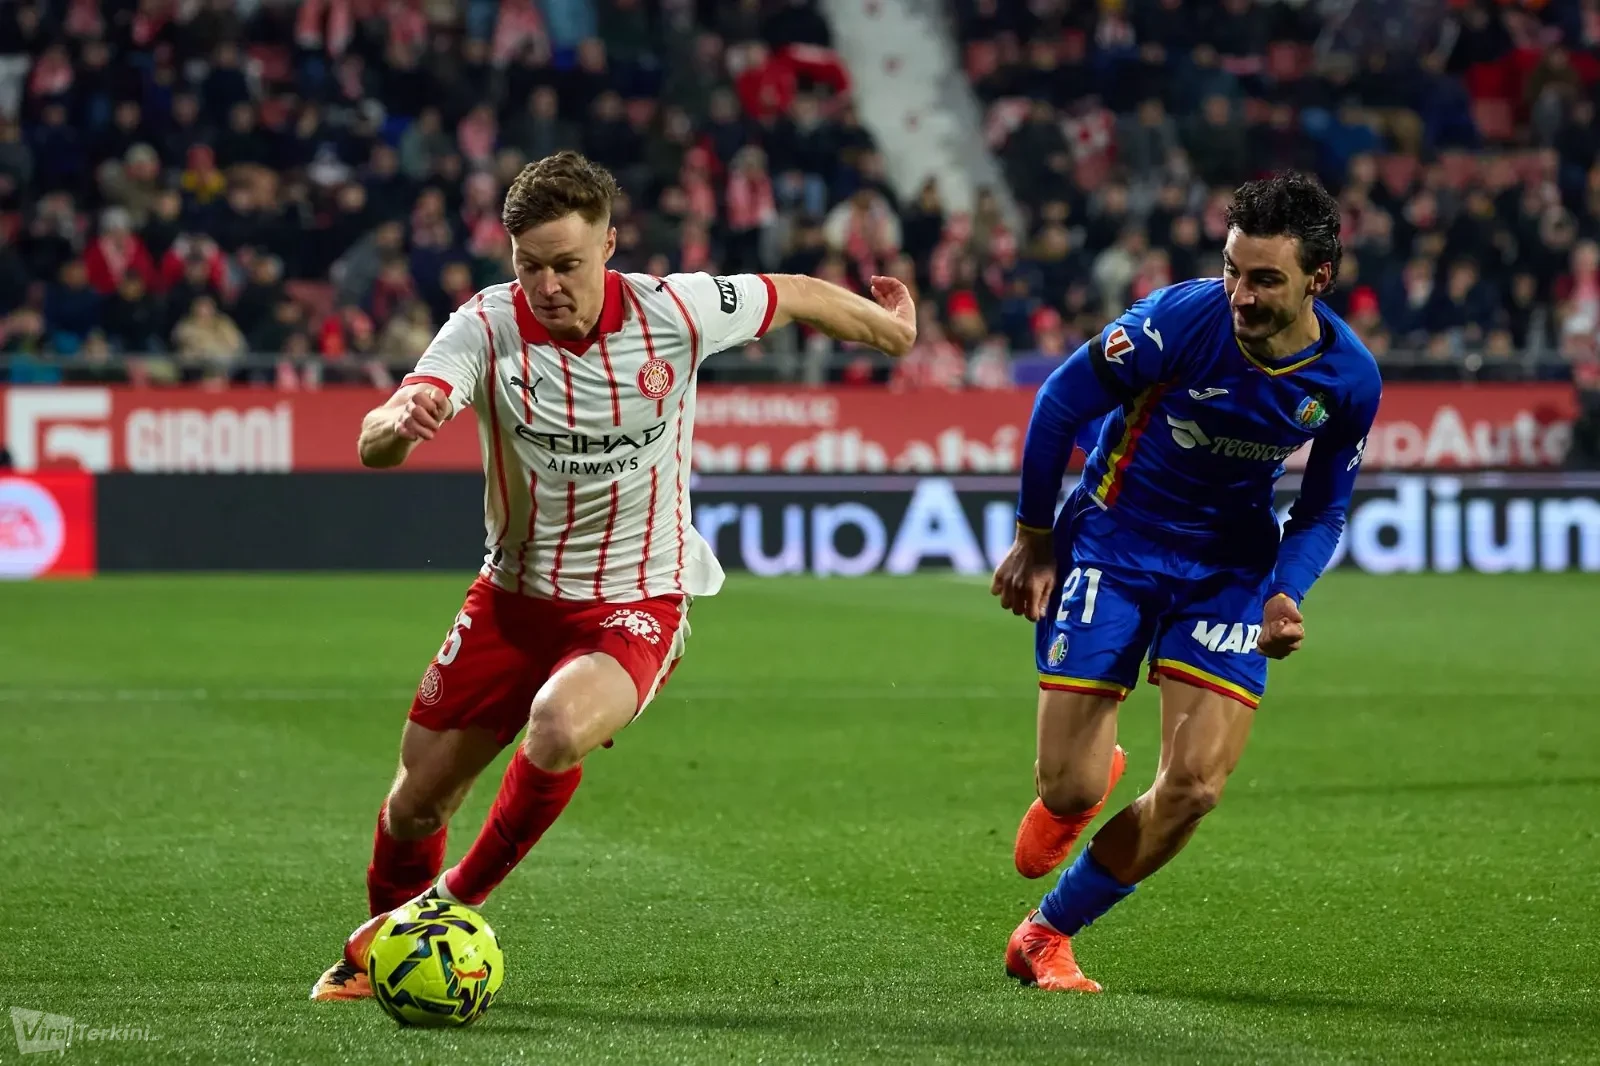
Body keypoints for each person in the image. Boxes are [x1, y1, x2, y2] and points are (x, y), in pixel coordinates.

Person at [311, 151, 917, 1001]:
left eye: (567, 264)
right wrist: (399, 423)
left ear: (609, 246)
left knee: (557, 726)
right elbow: (376, 440)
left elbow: (793, 293)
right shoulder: (485, 326)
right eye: (529, 266)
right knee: (415, 804)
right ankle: (384, 960)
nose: (547, 286)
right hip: (512, 601)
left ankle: (443, 909)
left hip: (636, 601)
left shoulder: (675, 312)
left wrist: (892, 331)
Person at [989, 173, 1380, 992]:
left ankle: (1046, 934)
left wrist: (1286, 591)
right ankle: (1078, 793)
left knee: (1196, 788)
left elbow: (1322, 509)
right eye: (1233, 270)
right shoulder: (1176, 321)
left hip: (1229, 569)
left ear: (1319, 278)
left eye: (1265, 278)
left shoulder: (1348, 379)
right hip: (1112, 544)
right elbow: (1058, 404)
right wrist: (1033, 540)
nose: (1241, 294)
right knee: (1070, 786)